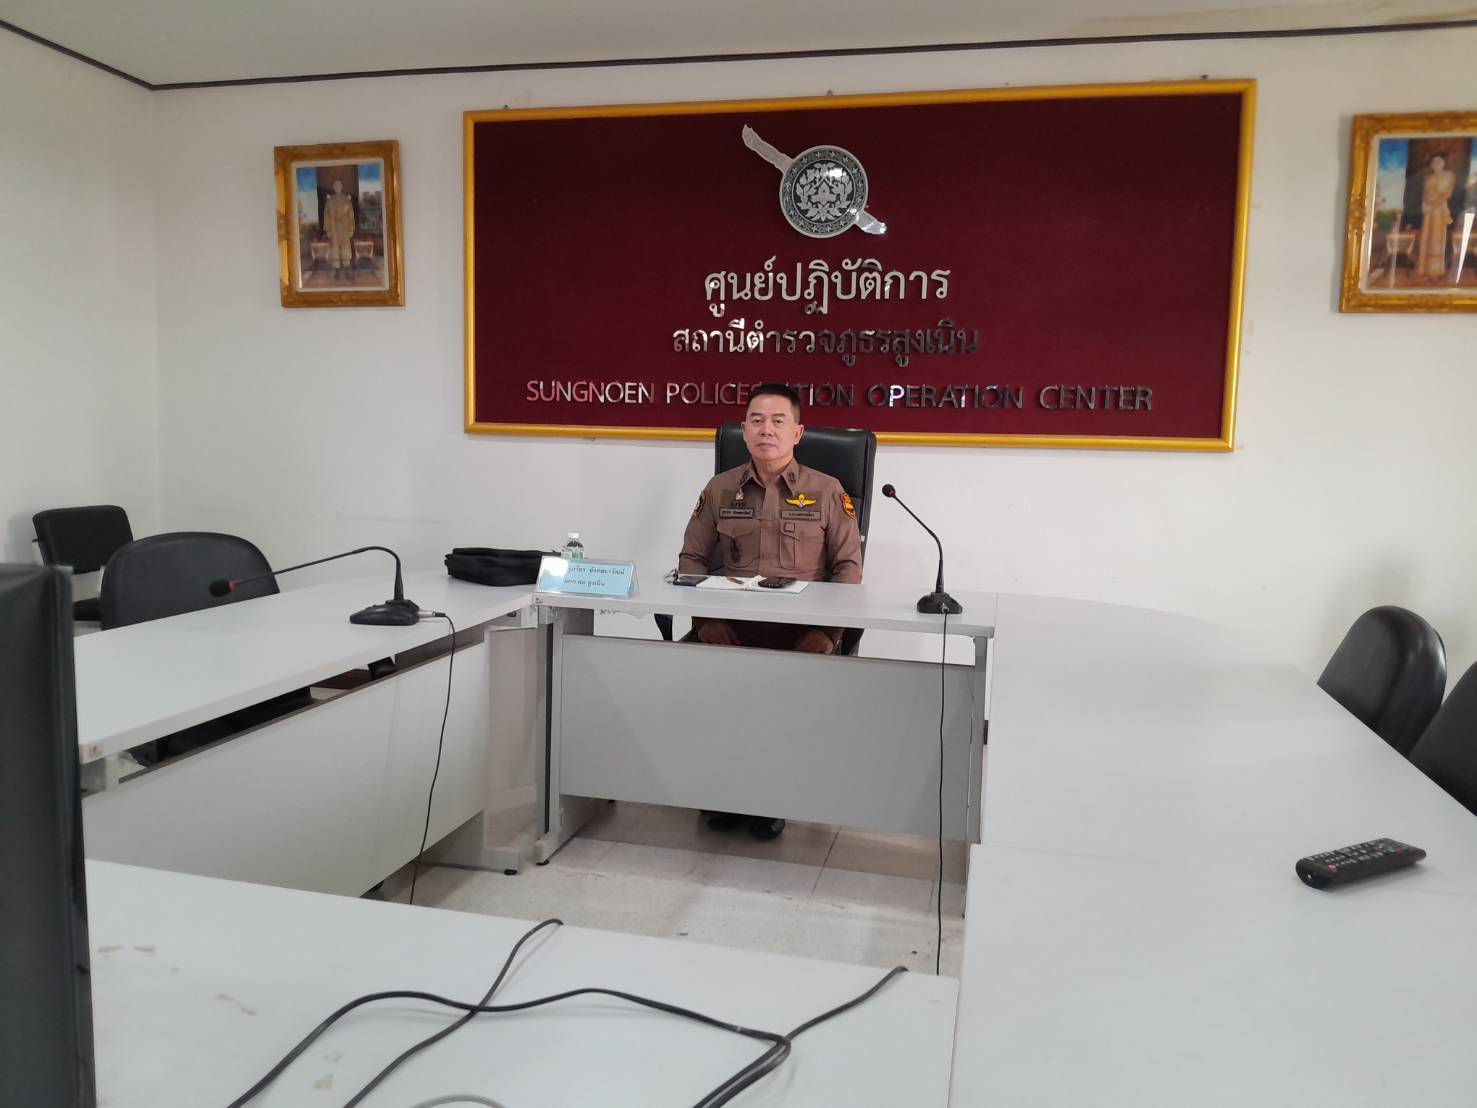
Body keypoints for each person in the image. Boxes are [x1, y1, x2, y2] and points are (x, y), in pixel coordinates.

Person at [677, 382, 863, 839]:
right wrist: (707, 621)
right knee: (703, 693)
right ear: (743, 431)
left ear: (797, 432)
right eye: (757, 420)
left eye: (778, 421)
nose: (767, 430)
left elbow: (848, 570)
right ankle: (722, 792)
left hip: (800, 634)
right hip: (731, 629)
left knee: (781, 706)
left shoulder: (827, 490)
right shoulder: (720, 489)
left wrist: (829, 634)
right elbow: (691, 560)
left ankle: (770, 799)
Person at [1417, 153, 1456, 281]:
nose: (1436, 164)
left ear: (1443, 163)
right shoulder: (1428, 178)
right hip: (1428, 211)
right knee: (1427, 238)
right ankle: (1426, 271)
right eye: (1434, 162)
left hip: (1439, 210)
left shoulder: (1449, 176)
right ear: (1431, 164)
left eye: (1439, 161)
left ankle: (1436, 271)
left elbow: (1447, 194)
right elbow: (1425, 194)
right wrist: (1425, 205)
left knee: (1437, 238)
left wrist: (1433, 205)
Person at [323, 178, 356, 280]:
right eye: (335, 185)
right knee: (335, 249)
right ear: (333, 187)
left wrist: (351, 229)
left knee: (345, 249)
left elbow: (351, 216)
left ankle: (347, 271)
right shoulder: (329, 201)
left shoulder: (346, 200)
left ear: (342, 187)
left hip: (345, 229)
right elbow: (326, 216)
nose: (337, 187)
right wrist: (328, 230)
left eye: (339, 185)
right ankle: (337, 272)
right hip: (333, 229)